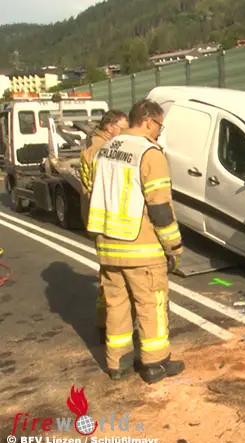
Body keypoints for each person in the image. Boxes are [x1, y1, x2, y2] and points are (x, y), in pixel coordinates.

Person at [86, 99, 184, 384]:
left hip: (107, 246)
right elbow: (160, 208)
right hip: (140, 248)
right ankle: (155, 364)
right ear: (149, 121)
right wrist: (174, 247)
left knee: (116, 305)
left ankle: (117, 364)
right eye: (159, 126)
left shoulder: (105, 149)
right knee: (151, 304)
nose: (159, 132)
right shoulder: (149, 153)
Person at [79, 109, 128, 332]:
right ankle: (110, 324)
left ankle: (103, 321)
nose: (126, 133)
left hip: (97, 220)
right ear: (110, 127)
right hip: (108, 222)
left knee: (106, 273)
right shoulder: (102, 151)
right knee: (112, 277)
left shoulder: (92, 149)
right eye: (123, 128)